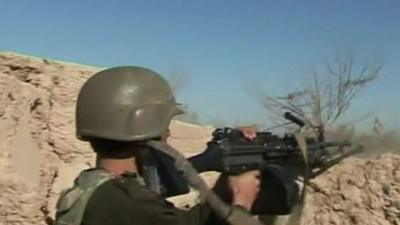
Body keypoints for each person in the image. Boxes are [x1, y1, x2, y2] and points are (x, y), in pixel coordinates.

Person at [54, 66, 261, 225]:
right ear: (144, 130)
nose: (168, 133)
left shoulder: (92, 188)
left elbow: (187, 220)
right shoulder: (131, 202)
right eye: (164, 126)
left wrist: (231, 169)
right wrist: (243, 200)